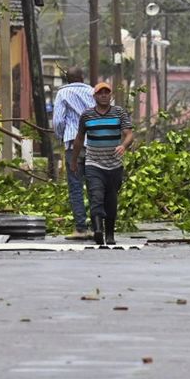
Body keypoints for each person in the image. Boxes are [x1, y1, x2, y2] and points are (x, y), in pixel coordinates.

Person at [70, 82, 134, 246]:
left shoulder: (119, 113)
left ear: (110, 95)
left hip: (114, 165)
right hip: (93, 164)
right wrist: (74, 160)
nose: (104, 95)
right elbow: (79, 138)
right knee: (96, 196)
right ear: (95, 96)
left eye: (106, 92)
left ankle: (110, 234)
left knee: (111, 200)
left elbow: (129, 135)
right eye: (100, 93)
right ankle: (98, 230)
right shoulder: (87, 115)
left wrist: (123, 146)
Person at [51, 66, 95, 239]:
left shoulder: (62, 94)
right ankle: (97, 226)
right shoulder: (93, 92)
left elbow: (58, 121)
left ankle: (81, 228)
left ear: (67, 79)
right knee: (94, 186)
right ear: (82, 78)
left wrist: (62, 135)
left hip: (73, 146)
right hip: (94, 145)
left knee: (76, 186)